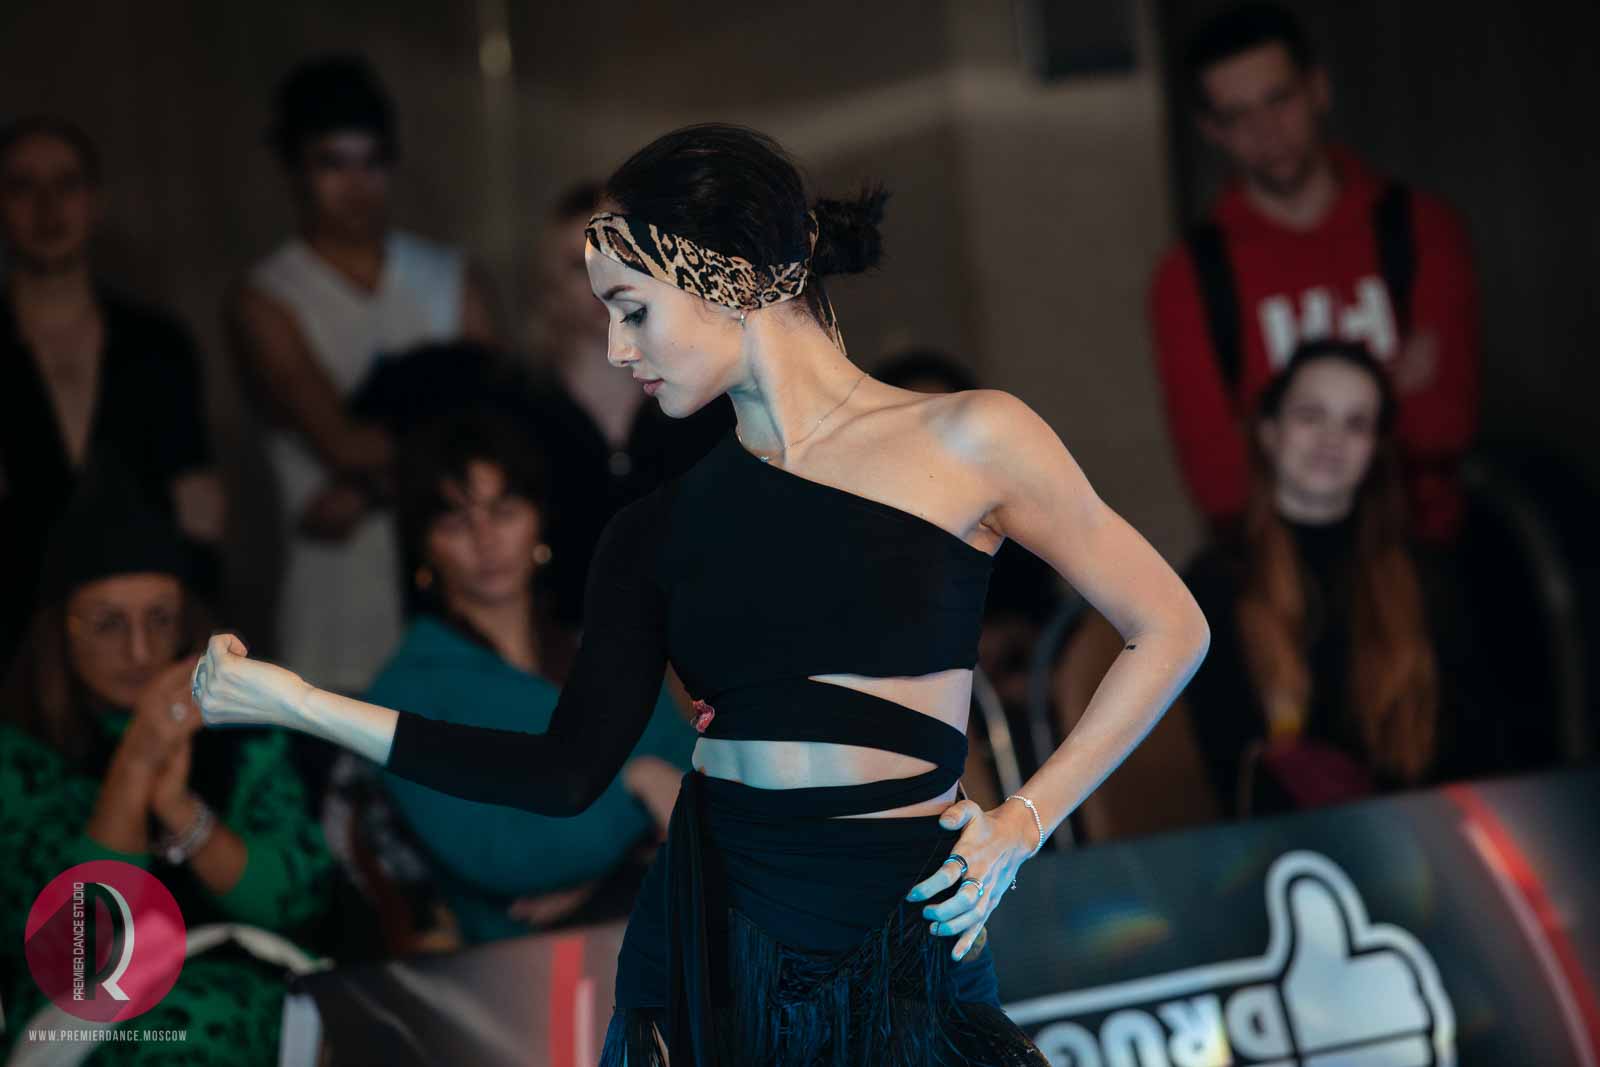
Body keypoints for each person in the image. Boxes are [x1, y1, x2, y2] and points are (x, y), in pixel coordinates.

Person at [192, 123, 1209, 1065]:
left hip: (907, 921)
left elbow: (1168, 625)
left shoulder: (970, 437)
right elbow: (561, 771)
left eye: (632, 308)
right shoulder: (653, 530)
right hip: (711, 934)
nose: (615, 348)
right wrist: (301, 703)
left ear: (723, 275)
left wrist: (1025, 820)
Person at [0, 467, 332, 1066]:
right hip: (84, 1017)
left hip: (245, 988)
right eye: (108, 624)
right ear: (59, 632)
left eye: (159, 619)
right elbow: (78, 950)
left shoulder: (245, 731)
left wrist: (180, 812)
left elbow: (295, 904)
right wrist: (138, 760)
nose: (139, 650)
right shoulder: (19, 757)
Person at [1149, 3, 1479, 544]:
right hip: (1279, 560)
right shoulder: (1190, 275)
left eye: (1279, 99)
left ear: (1317, 90)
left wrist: (1279, 429)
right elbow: (1219, 483)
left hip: (1425, 542)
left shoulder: (1419, 226)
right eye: (1237, 115)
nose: (1266, 130)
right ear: (1212, 130)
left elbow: (1445, 426)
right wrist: (1390, 392)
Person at [366, 411, 695, 945]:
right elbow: (503, 855)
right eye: (456, 523)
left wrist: (598, 870)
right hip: (517, 965)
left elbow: (704, 785)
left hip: (650, 924)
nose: (486, 540)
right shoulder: (404, 693)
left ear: (538, 521)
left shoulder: (602, 650)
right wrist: (637, 783)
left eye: (504, 511)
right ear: (424, 546)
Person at [229, 53, 497, 694]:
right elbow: (342, 443)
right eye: (332, 163)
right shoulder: (268, 297)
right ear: (294, 169)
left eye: (371, 162)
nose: (355, 186)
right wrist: (436, 439)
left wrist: (369, 489)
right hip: (338, 611)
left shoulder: (449, 277)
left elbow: (500, 425)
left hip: (462, 597)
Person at [1180, 339, 1462, 817]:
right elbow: (1217, 769)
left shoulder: (1427, 576)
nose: (1332, 438)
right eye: (1311, 415)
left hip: (1420, 828)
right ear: (1269, 432)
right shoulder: (1214, 583)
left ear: (1376, 449)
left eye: (1356, 423)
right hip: (1278, 843)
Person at [0, 116, 223, 673]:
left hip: (142, 642)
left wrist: (192, 642)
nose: (49, 208)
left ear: (93, 200)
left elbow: (199, 509)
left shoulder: (155, 345)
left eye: (67, 184)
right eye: (24, 187)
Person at [520, 181, 733, 628]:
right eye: (577, 266)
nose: (599, 282)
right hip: (565, 638)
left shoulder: (702, 397)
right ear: (550, 283)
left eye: (614, 254)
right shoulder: (522, 408)